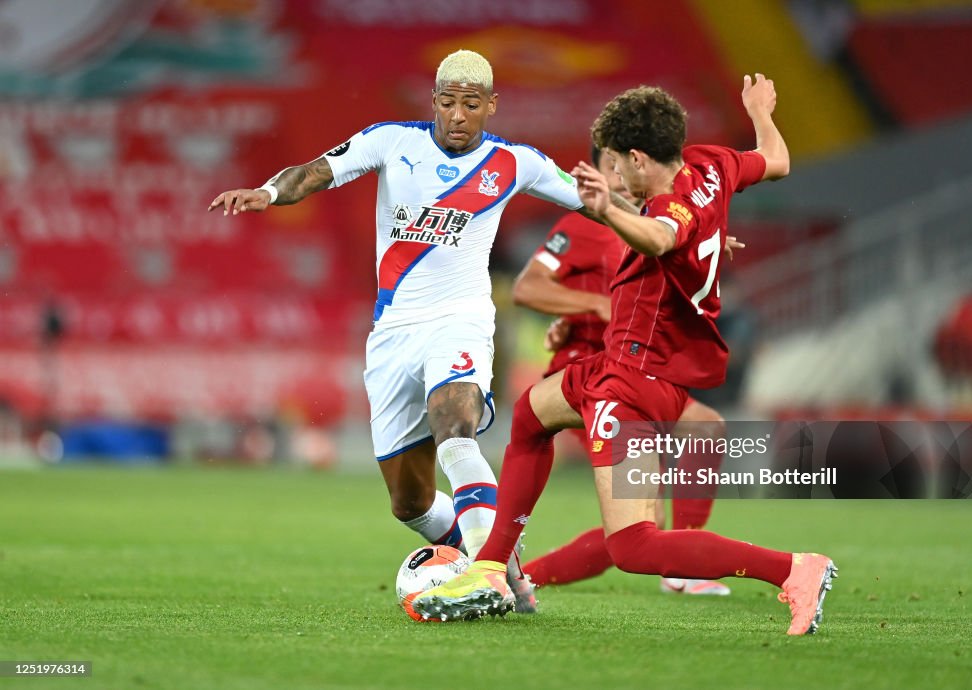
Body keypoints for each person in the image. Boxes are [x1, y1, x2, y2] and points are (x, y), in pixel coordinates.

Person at [414, 76, 839, 635]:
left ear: (639, 159)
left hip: (636, 380)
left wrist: (607, 210)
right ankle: (493, 565)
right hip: (619, 366)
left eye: (614, 164)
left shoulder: (665, 210)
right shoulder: (712, 163)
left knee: (635, 545)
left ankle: (793, 569)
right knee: (530, 413)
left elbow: (662, 238)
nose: (610, 175)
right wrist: (761, 112)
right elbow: (776, 160)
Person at [208, 50, 628, 612]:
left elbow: (600, 203)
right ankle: (502, 564)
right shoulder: (391, 142)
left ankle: (487, 571)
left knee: (456, 423)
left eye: (471, 104)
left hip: (461, 318)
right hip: (393, 332)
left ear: (490, 106)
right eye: (448, 102)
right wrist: (268, 192)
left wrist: (672, 231)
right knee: (409, 503)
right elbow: (312, 171)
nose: (458, 115)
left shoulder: (516, 161)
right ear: (433, 102)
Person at [512, 144, 734, 596]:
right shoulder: (580, 225)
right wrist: (592, 306)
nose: (617, 174)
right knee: (643, 527)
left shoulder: (659, 222)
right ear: (593, 173)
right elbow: (527, 287)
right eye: (607, 166)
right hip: (593, 377)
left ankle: (684, 565)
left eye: (623, 164)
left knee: (705, 428)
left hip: (642, 372)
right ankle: (519, 576)